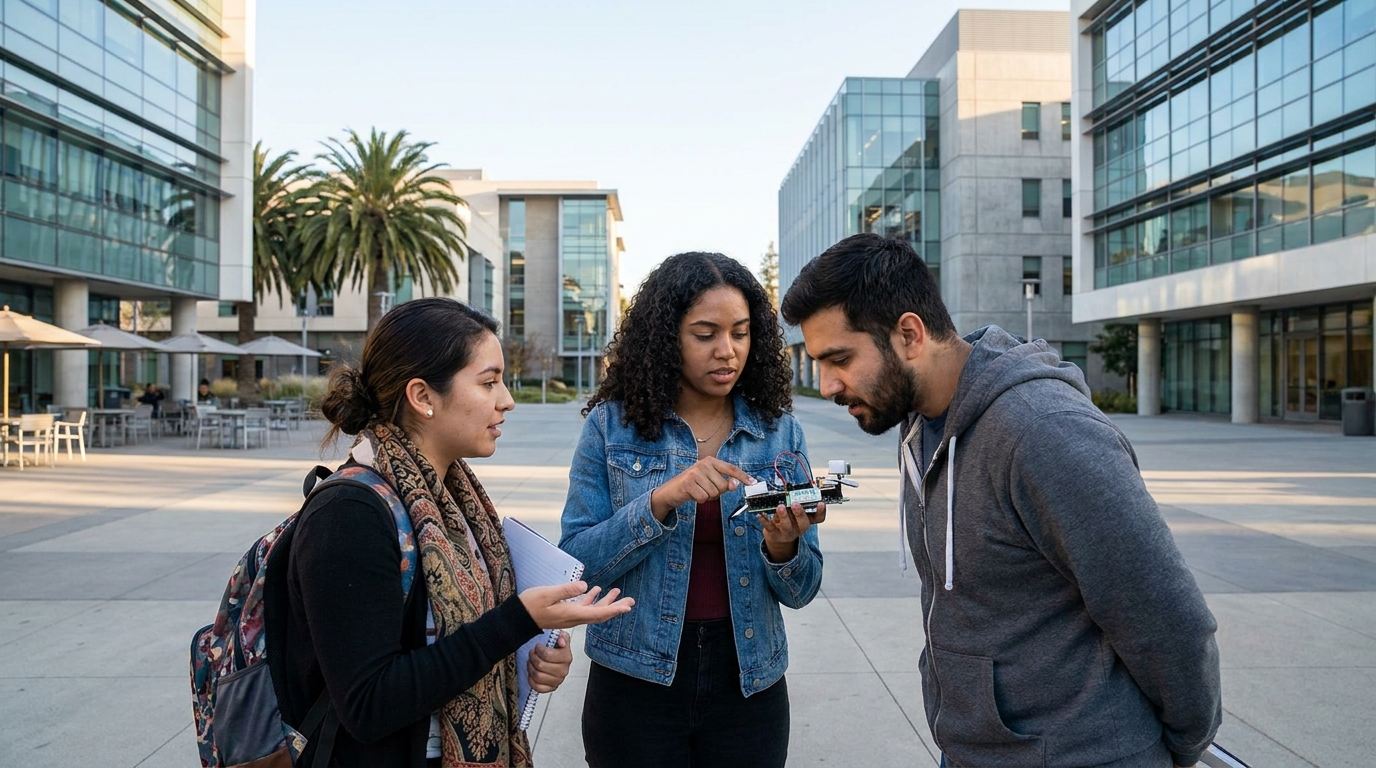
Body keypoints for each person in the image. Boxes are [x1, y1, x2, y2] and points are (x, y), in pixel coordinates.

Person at [780, 233, 1221, 768]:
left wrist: (1181, 746)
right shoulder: (920, 423)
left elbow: (1166, 617)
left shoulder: (1044, 432)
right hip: (975, 752)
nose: (826, 385)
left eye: (840, 359)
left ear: (910, 335)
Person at [277, 297, 634, 767]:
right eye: (488, 382)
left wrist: (532, 654)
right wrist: (516, 622)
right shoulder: (350, 514)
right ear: (422, 396)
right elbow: (368, 705)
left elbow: (461, 642)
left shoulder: (454, 499)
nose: (506, 399)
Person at [560, 252, 824, 768]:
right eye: (705, 334)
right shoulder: (611, 429)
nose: (727, 351)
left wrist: (783, 544)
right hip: (635, 680)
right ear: (666, 338)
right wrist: (659, 502)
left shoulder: (780, 434)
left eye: (741, 333)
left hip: (749, 680)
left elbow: (803, 589)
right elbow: (577, 567)